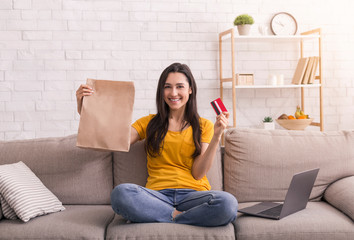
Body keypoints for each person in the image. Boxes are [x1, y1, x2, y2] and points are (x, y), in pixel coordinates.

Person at [76, 63, 238, 227]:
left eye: (179, 86)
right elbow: (113, 138)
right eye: (167, 87)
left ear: (190, 89)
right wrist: (85, 109)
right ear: (161, 91)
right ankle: (176, 216)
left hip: (194, 195)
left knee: (228, 204)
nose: (173, 93)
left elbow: (198, 173)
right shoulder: (149, 123)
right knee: (121, 194)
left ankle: (162, 216)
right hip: (157, 196)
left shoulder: (204, 125)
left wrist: (217, 136)